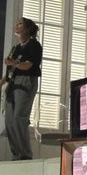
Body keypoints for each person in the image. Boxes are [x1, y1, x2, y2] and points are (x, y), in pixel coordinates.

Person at [0, 17, 42, 160]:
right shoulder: (16, 48)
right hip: (13, 82)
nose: (16, 26)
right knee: (9, 118)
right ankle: (16, 154)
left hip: (26, 82)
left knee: (19, 117)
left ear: (27, 29)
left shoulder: (35, 46)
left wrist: (15, 62)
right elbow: (11, 70)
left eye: (20, 24)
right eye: (16, 23)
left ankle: (25, 155)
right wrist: (3, 81)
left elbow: (28, 65)